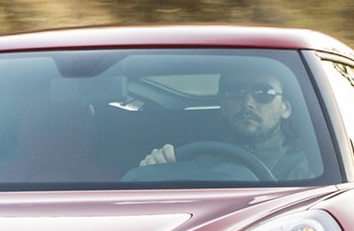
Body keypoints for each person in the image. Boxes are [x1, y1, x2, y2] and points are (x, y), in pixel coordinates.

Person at [134, 63, 320, 181]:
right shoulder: (190, 161)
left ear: (286, 108)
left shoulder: (313, 169)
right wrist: (154, 170)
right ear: (222, 104)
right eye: (235, 91)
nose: (248, 103)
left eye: (264, 93)